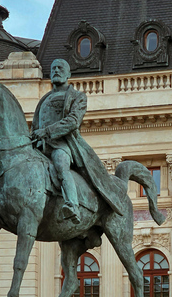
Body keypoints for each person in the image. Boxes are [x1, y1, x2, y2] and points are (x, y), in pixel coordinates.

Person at [31, 59, 123, 222]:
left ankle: (72, 205)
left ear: (68, 74)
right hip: (40, 147)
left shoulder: (77, 97)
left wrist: (46, 131)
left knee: (61, 166)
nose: (56, 71)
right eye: (53, 69)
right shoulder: (44, 99)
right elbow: (35, 125)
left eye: (60, 68)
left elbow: (73, 121)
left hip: (63, 145)